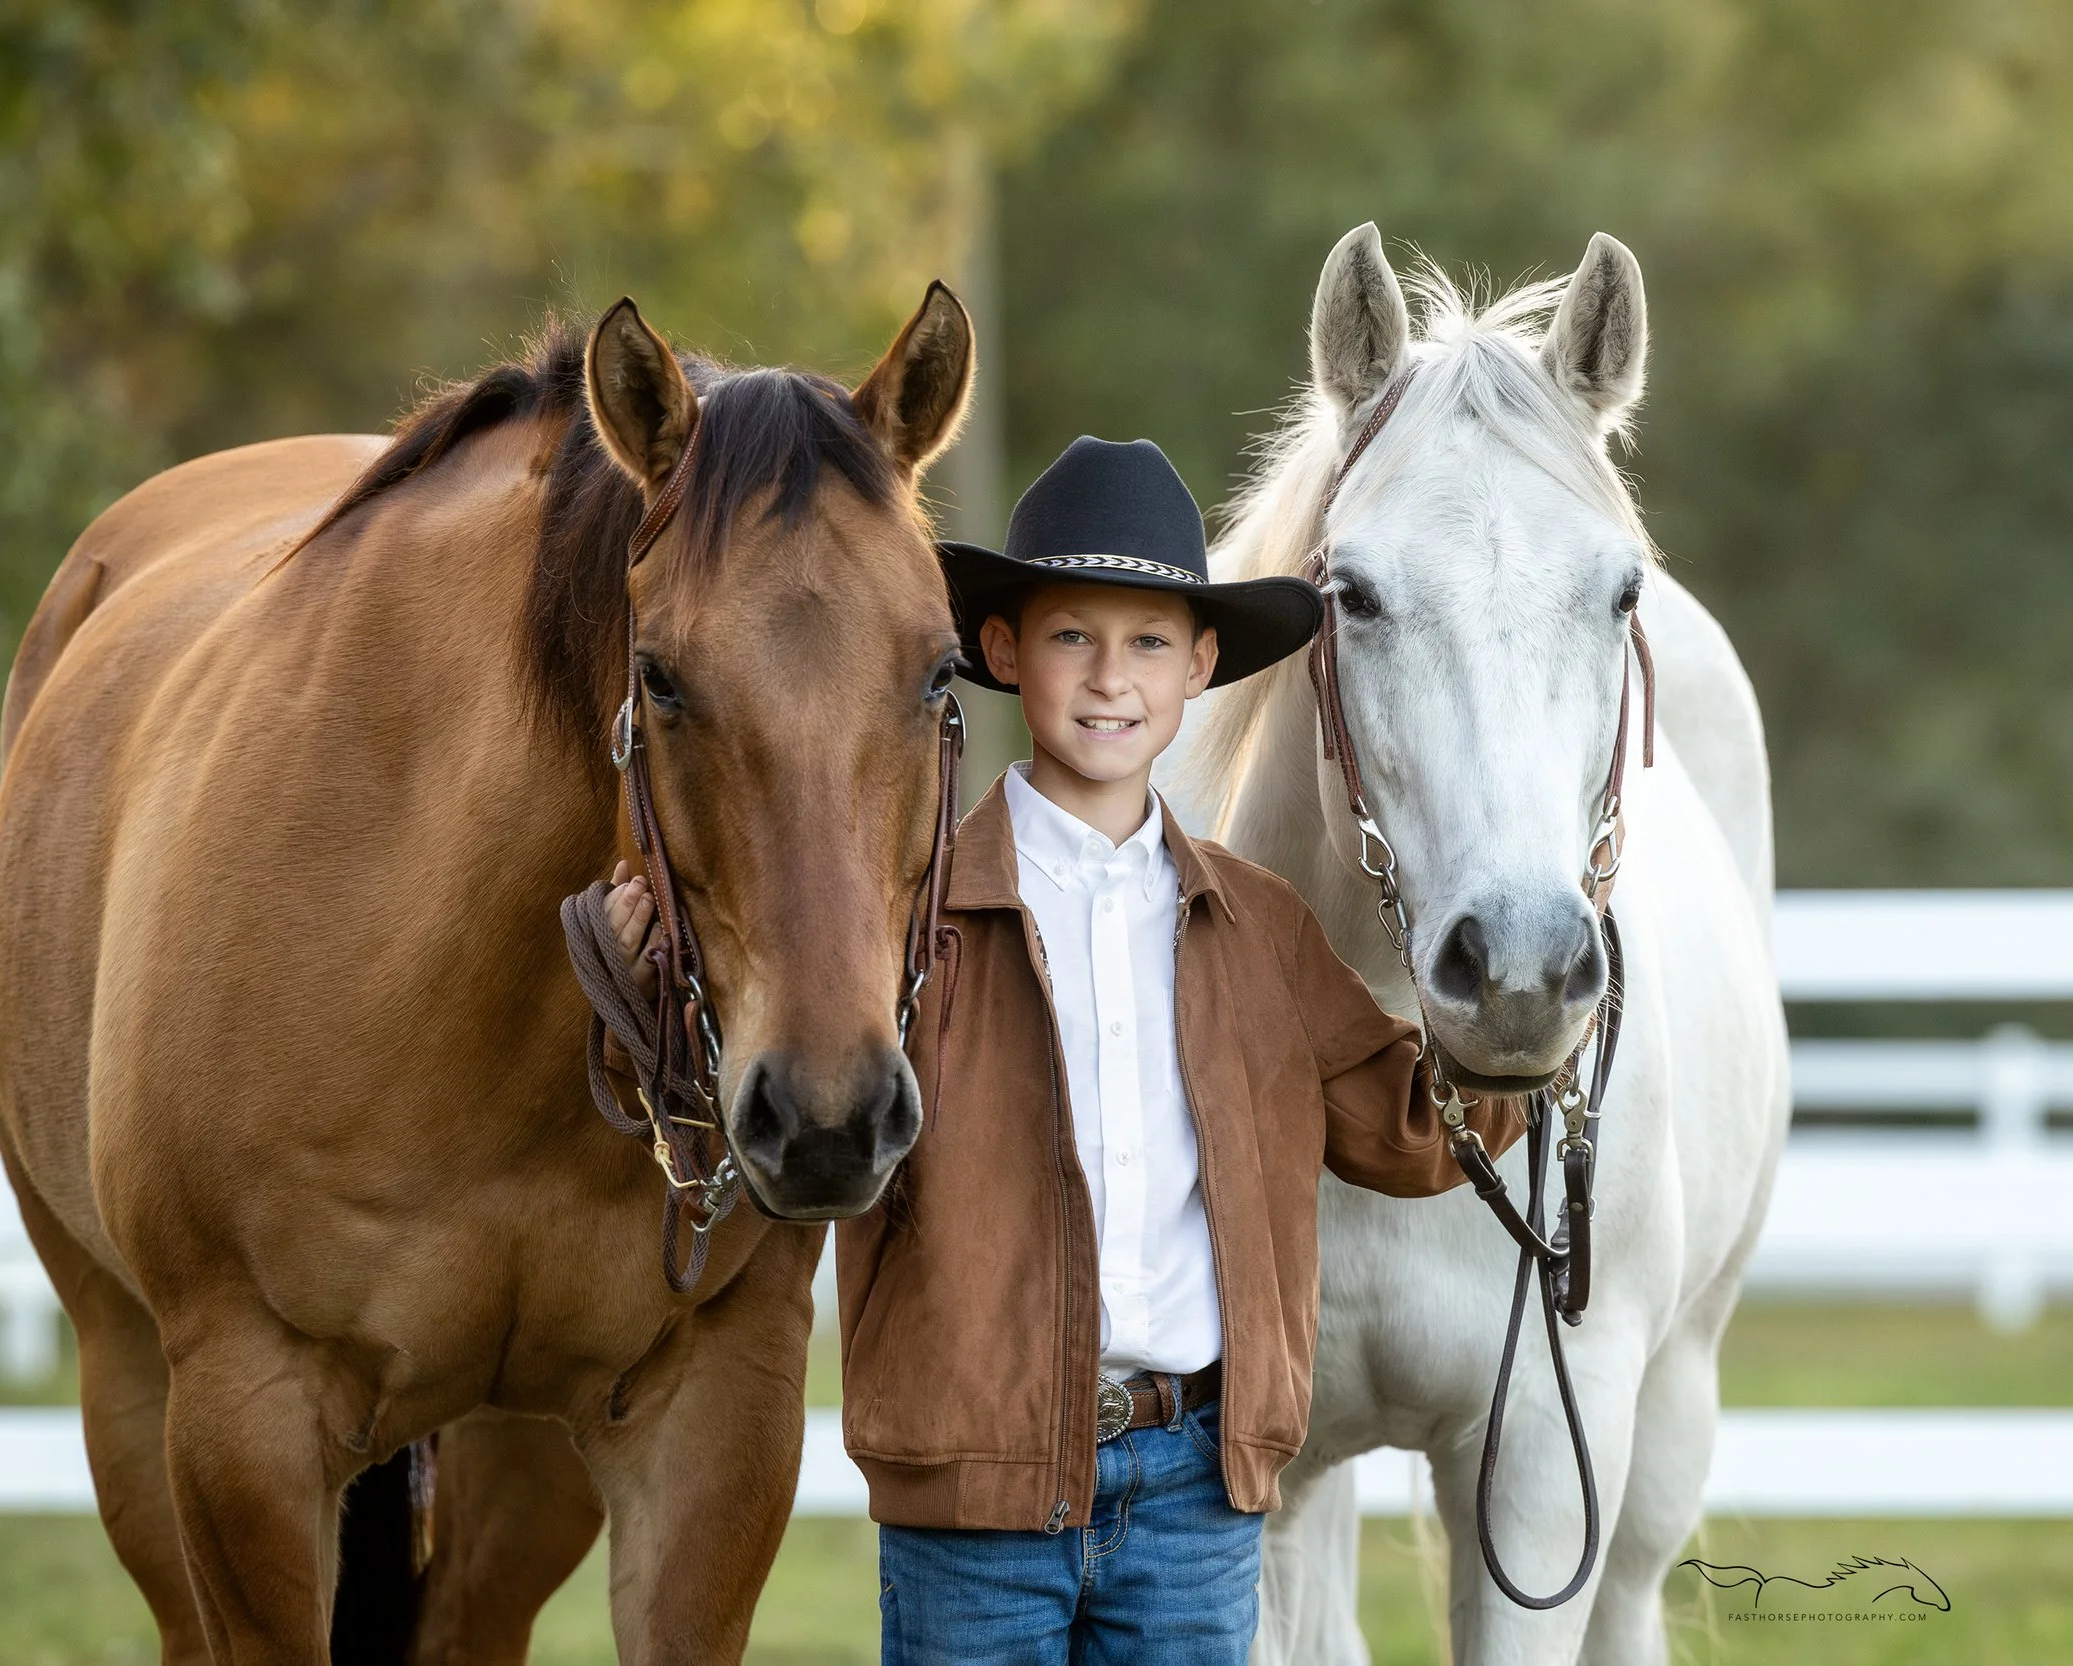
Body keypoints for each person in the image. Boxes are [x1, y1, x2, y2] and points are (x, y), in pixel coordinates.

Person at [609, 436, 1524, 1665]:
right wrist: (646, 985)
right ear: (999, 653)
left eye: (1149, 641)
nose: (1110, 678)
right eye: (1069, 637)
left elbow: (1411, 1130)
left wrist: (1526, 1023)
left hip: (1193, 1496)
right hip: (973, 1500)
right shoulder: (906, 923)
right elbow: (774, 1097)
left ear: (1201, 666)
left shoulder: (1260, 931)